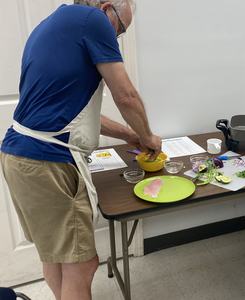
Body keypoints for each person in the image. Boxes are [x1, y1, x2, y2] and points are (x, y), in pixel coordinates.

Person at [0, 1, 161, 299]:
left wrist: (130, 136)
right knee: (82, 264)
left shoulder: (51, 26)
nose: (117, 38)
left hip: (19, 156)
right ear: (107, 7)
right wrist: (148, 136)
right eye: (121, 28)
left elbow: (73, 114)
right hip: (48, 161)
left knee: (55, 256)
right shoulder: (93, 21)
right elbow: (126, 96)